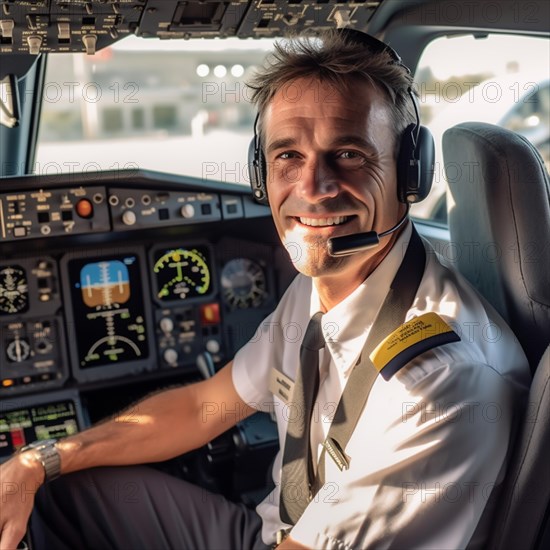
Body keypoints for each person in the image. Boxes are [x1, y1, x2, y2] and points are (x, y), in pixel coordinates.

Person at [0, 29, 530, 550]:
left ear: (410, 174)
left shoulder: (439, 386)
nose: (313, 189)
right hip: (272, 532)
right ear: (261, 172)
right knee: (51, 492)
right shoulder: (320, 286)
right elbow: (204, 405)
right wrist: (38, 460)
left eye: (348, 154)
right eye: (287, 156)